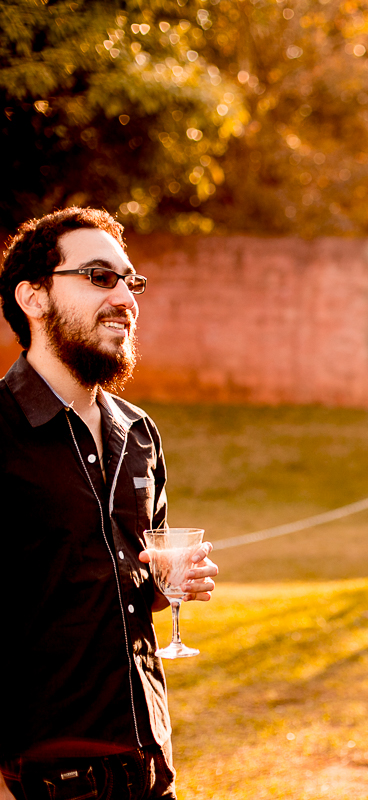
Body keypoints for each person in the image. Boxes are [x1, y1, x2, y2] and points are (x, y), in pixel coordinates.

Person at [0, 208, 219, 800]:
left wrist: (170, 583)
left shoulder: (140, 432)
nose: (126, 297)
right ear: (34, 297)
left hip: (148, 765)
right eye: (99, 277)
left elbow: (131, 584)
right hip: (41, 776)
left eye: (130, 281)